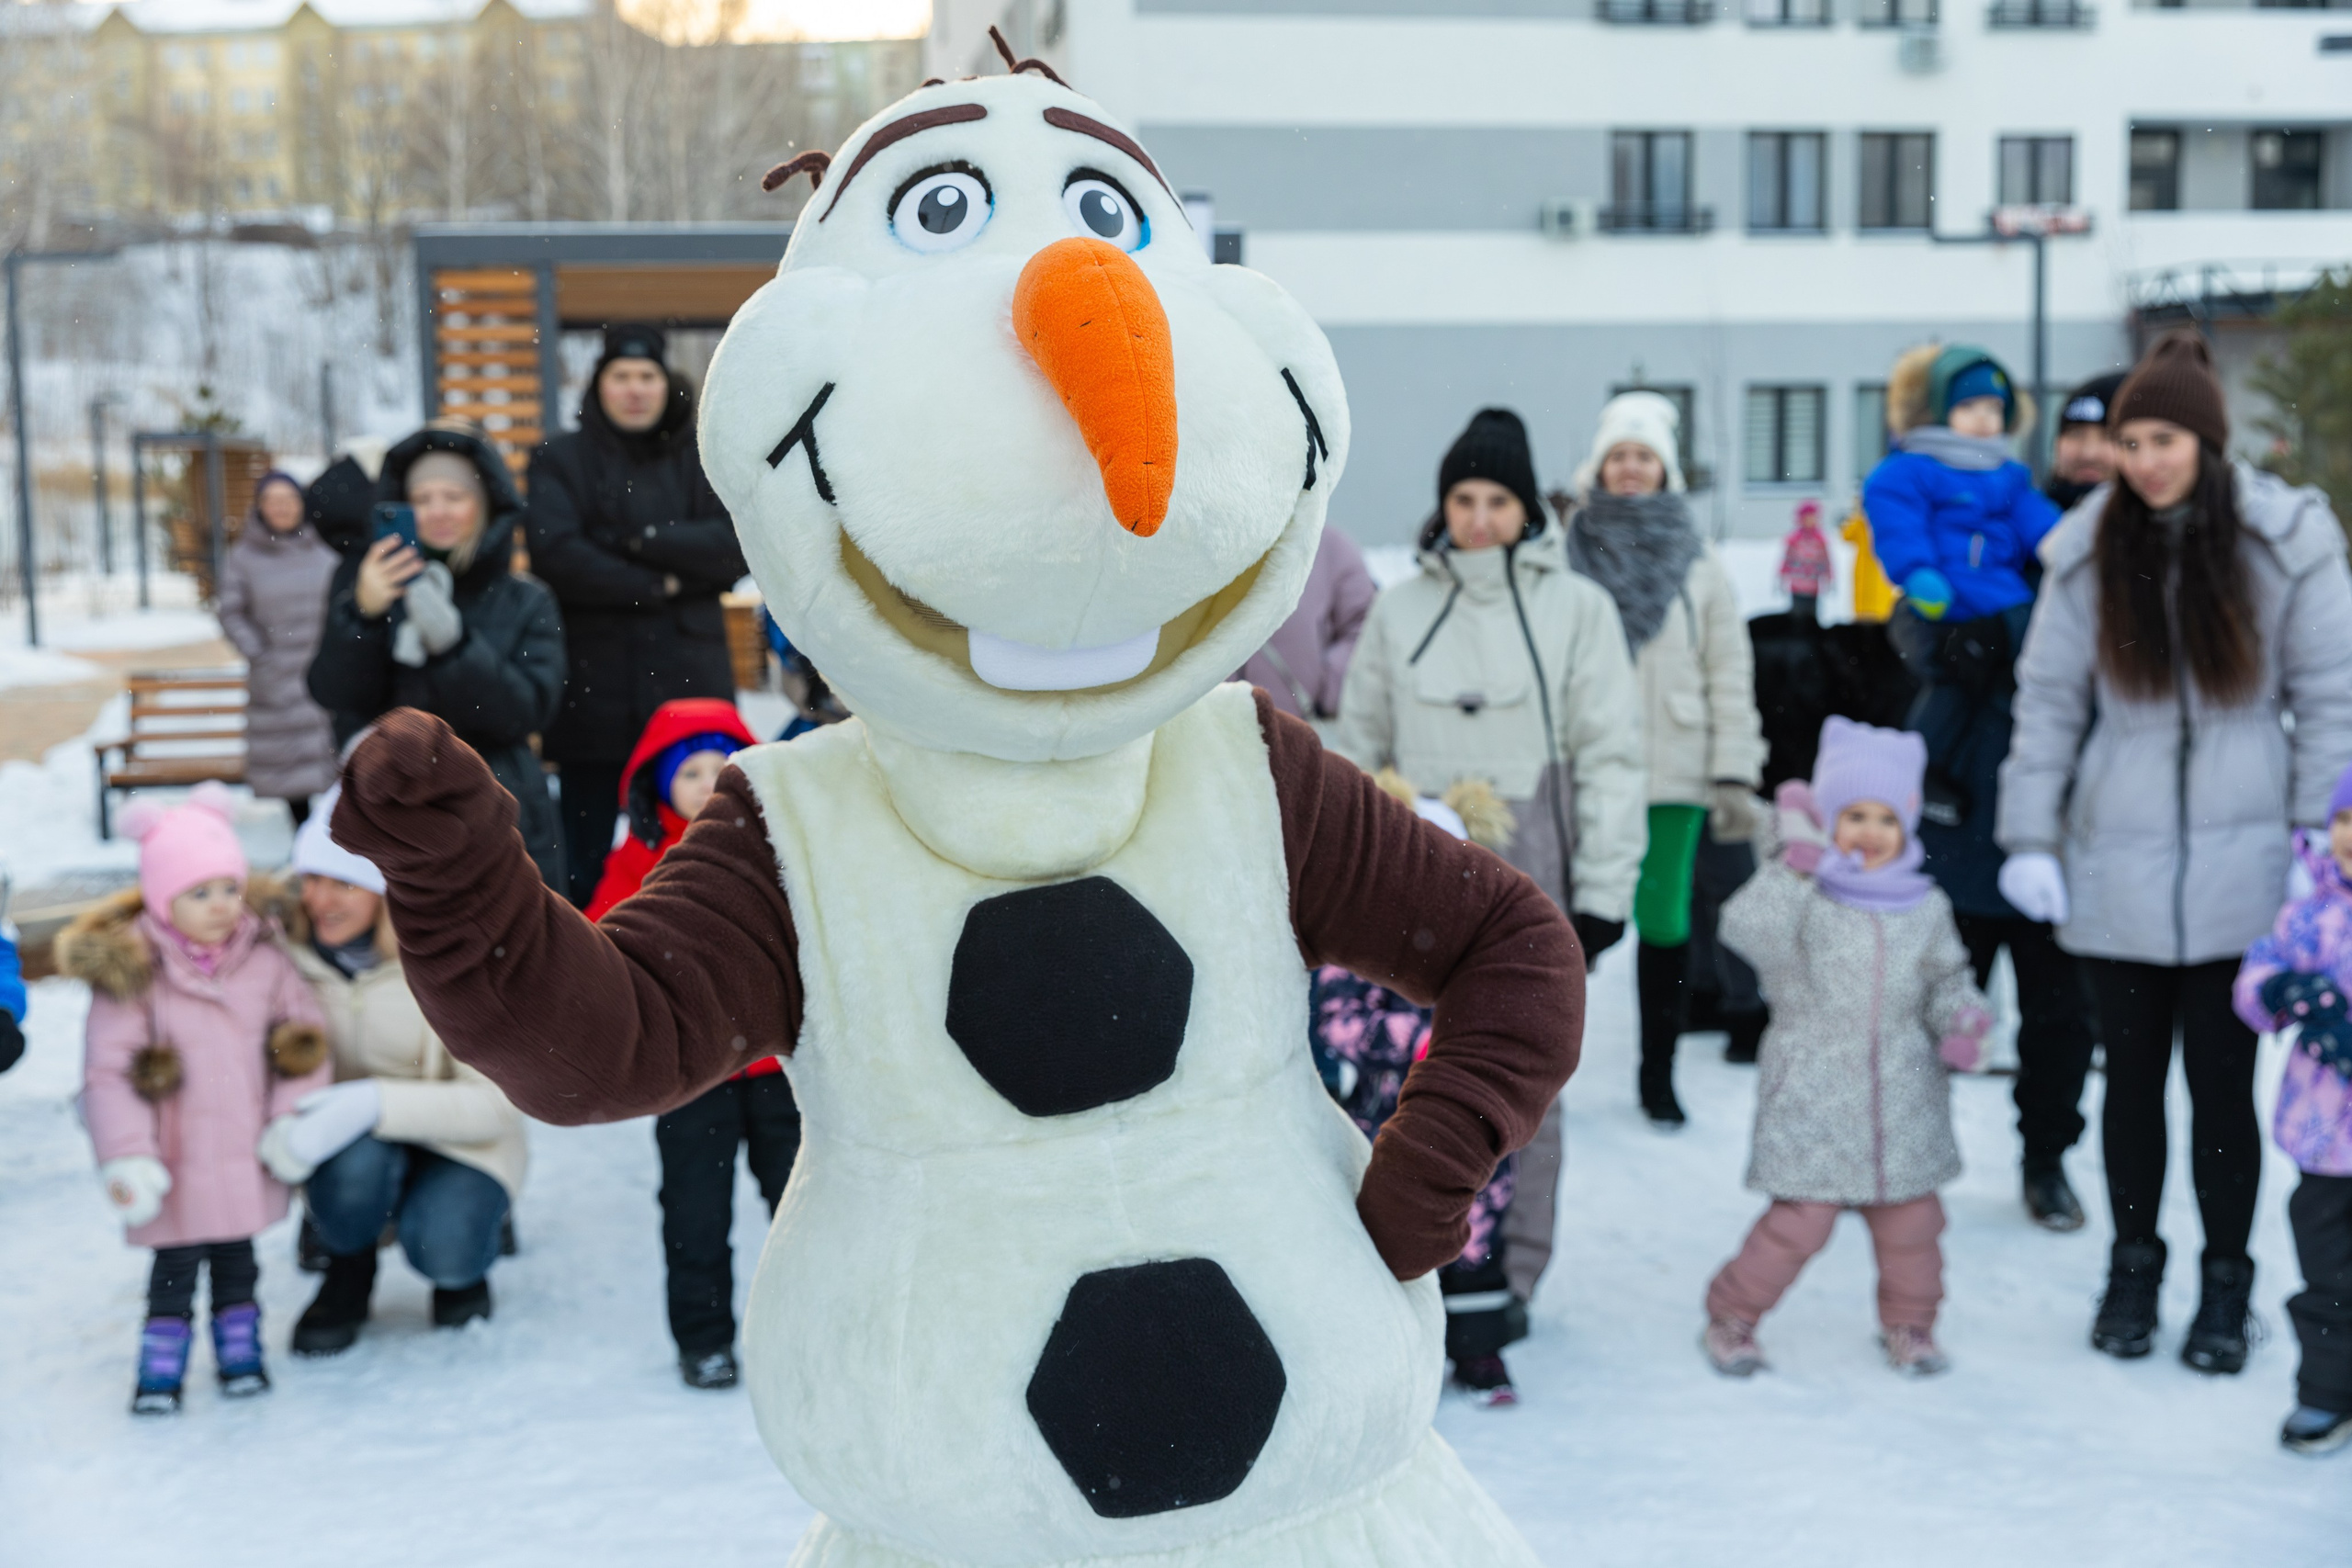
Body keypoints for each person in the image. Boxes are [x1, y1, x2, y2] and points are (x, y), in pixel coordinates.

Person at [1999, 328, 2352, 1371]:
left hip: (2247, 876)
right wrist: (2028, 833)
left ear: (2204, 440)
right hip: (2115, 862)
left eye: (2163, 437)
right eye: (2128, 439)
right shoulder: (2084, 554)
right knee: (2131, 1088)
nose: (2143, 459)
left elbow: (2330, 702)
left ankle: (2225, 1289)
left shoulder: (2282, 543)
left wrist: (2313, 841)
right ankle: (2132, 1271)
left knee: (2219, 1091)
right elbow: (2049, 704)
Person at [1334, 407, 1641, 1314]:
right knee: (1401, 1076)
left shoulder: (1576, 608)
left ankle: (1508, 1278)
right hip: (1417, 863)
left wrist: (1603, 890)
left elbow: (1612, 756)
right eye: (1462, 499)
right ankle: (1389, 1270)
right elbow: (1354, 748)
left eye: (1496, 499)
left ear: (1525, 508)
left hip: (1534, 856)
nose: (1477, 518)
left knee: (1516, 1080)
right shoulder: (1402, 609)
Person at [1865, 344, 2094, 1230]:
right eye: (2076, 435)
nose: (2087, 452)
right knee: (1933, 990)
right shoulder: (1940, 483)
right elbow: (1908, 609)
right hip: (1963, 783)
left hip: (2054, 807)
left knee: (2056, 1010)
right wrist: (1947, 637)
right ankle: (1907, 1154)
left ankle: (2045, 1158)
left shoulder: (2064, 523)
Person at [1706, 718, 1991, 1379]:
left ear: (1909, 824)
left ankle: (1913, 1324)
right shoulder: (1807, 898)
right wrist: (1792, 868)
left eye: (1885, 818)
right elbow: (1743, 931)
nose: (1869, 831)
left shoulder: (1926, 904)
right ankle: (1733, 1314)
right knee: (1797, 1225)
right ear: (1827, 820)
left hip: (1904, 1098)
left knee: (1914, 1227)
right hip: (1813, 1092)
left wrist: (1965, 1021)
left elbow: (1947, 980)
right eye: (1853, 815)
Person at [56, 784, 332, 1415]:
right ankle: (162, 1361)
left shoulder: (264, 958)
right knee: (174, 1268)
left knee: (238, 1261)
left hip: (241, 1149)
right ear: (162, 898)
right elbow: (108, 1072)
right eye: (199, 893)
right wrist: (126, 1155)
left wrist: (289, 1117)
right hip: (172, 1160)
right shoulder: (136, 972)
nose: (220, 906)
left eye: (229, 888)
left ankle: (240, 1346)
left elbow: (302, 1040)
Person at [1566, 390, 1766, 1127]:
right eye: (1619, 455)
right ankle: (1540, 1063)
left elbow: (1728, 666)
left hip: (1678, 764)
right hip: (1590, 762)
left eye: (1643, 456)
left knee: (1663, 916)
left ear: (1665, 469)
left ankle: (1658, 1071)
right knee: (1571, 918)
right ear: (1600, 465)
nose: (1630, 468)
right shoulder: (1570, 548)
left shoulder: (1701, 561)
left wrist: (1734, 765)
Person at [277, 787, 529, 1354]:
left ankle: (461, 1266)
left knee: (445, 1241)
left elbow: (496, 1102)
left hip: (462, 1144)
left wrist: (373, 1102)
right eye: (311, 880)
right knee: (352, 1174)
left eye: (342, 882)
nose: (319, 900)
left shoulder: (453, 964)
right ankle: (349, 1269)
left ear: (386, 891)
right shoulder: (290, 962)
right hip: (353, 1146)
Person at [582, 698, 786, 1390]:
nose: (706, 781)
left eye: (719, 766)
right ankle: (704, 1336)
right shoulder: (639, 861)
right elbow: (600, 943)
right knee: (695, 1212)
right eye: (688, 770)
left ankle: (814, 1322)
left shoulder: (775, 851)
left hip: (776, 1065)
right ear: (657, 785)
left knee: (803, 1201)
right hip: (690, 1075)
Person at [1307, 774, 1523, 1405]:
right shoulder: (1357, 943)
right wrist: (1417, 1036)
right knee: (1392, 1235)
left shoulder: (1482, 946)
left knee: (1477, 1231)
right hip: (1383, 1116)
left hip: (1467, 1118)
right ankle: (1390, 1361)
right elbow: (1341, 1023)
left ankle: (1480, 1344)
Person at [526, 325, 749, 907]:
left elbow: (734, 545)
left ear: (665, 382)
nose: (634, 390)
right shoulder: (560, 457)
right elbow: (558, 554)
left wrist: (634, 539)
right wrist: (664, 579)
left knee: (706, 842)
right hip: (595, 688)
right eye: (620, 377)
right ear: (599, 385)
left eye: (646, 376)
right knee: (589, 851)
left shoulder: (704, 453)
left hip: (689, 681)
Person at [307, 423, 566, 890]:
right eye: (423, 499)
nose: (438, 511)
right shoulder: (369, 586)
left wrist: (454, 645)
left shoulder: (525, 600)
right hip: (395, 813)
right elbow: (335, 693)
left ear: (484, 505)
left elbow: (525, 711)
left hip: (500, 809)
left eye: (454, 496)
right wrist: (362, 615)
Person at [2234, 762, 2352, 1454]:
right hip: (2321, 1141)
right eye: (2343, 821)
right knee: (2328, 1275)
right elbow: (2254, 977)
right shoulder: (2310, 909)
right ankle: (2327, 1392)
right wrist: (2284, 988)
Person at [217, 470, 340, 828]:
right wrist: (260, 654)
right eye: (273, 500)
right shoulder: (243, 557)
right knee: (293, 774)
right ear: (260, 508)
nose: (282, 507)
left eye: (289, 498)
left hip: (328, 674)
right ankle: (303, 842)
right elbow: (230, 611)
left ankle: (336, 848)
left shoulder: (324, 548)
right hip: (278, 678)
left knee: (335, 765)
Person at [1237, 525, 1376, 728]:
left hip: (1295, 731)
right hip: (1207, 733)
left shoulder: (1330, 547)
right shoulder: (1206, 539)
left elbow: (1366, 628)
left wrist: (1326, 688)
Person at [2043, 371, 2126, 513]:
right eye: (2076, 434)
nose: (2088, 454)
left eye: (2108, 436)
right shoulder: (2022, 521)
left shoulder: (2162, 530)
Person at [1777, 499, 1834, 624]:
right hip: (1797, 586)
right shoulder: (1794, 540)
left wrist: (1829, 577)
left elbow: (1826, 561)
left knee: (1812, 616)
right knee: (1797, 615)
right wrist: (1782, 575)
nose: (1810, 520)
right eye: (1807, 517)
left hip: (1813, 586)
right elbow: (1787, 559)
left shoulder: (1820, 540)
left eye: (1813, 517)